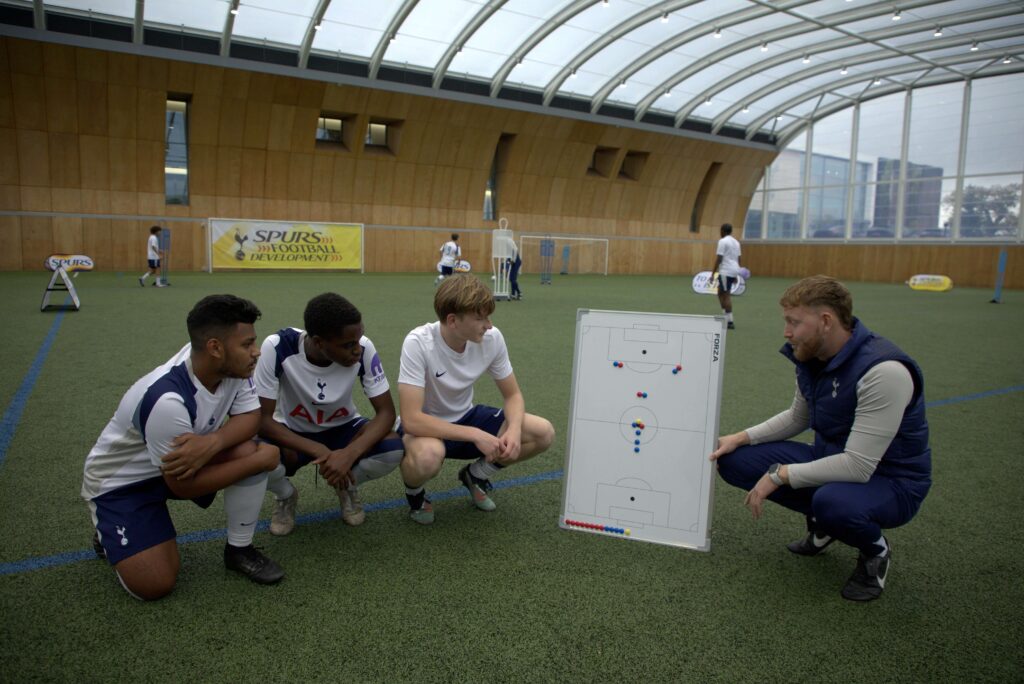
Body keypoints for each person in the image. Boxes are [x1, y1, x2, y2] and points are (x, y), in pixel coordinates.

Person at [710, 275, 931, 602]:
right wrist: (740, 437)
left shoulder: (884, 371)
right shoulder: (811, 356)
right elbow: (799, 417)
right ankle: (825, 526)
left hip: (892, 481)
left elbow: (858, 466)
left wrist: (780, 475)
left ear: (826, 321)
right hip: (832, 460)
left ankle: (875, 550)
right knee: (734, 461)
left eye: (793, 322)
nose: (786, 332)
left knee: (832, 501)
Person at [82, 295, 286, 600]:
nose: (256, 352)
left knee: (248, 449)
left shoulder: (231, 367)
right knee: (155, 585)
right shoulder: (167, 401)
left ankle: (239, 550)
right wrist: (262, 461)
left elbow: (250, 417)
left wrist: (213, 442)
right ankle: (108, 530)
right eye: (247, 344)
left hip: (173, 466)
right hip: (122, 485)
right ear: (215, 347)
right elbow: (183, 485)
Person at [397, 274, 555, 524]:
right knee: (428, 457)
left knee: (542, 433)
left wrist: (513, 429)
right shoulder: (418, 343)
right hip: (427, 428)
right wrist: (475, 434)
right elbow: (412, 420)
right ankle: (415, 494)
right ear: (452, 321)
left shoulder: (492, 339)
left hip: (466, 416)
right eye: (480, 318)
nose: (489, 325)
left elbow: (512, 395)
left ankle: (475, 475)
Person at [253, 293, 402, 533]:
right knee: (253, 455)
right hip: (293, 431)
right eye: (348, 345)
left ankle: (347, 486)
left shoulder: (364, 347)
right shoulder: (278, 346)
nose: (357, 350)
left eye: (358, 340)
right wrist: (319, 450)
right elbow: (261, 420)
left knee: (392, 449)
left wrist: (349, 454)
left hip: (344, 429)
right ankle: (286, 495)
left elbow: (386, 413)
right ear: (319, 342)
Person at [710, 223, 741, 329]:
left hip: (726, 271)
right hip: (733, 269)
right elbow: (738, 259)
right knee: (720, 292)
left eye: (720, 231)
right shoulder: (736, 242)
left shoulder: (723, 241)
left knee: (726, 295)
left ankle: (730, 321)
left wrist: (712, 273)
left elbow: (719, 258)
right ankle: (725, 317)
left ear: (722, 231)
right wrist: (736, 274)